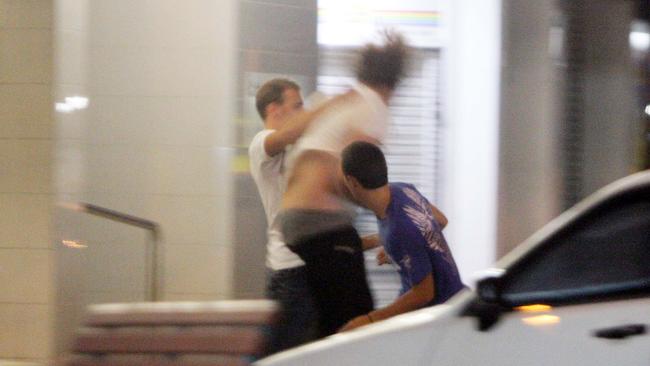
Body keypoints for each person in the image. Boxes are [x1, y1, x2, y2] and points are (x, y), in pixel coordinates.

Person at [277, 31, 409, 338]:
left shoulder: (340, 99)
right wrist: (395, 214)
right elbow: (355, 172)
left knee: (328, 317)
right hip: (322, 221)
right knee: (354, 319)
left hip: (294, 220)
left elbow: (289, 136)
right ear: (393, 82)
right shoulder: (373, 105)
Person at [248, 78, 345, 353]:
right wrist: (327, 106)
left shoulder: (296, 148)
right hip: (289, 270)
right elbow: (286, 135)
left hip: (307, 265)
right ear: (273, 109)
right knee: (288, 354)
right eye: (297, 105)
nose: (302, 112)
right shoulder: (261, 143)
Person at [338, 141, 465, 332]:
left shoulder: (399, 229)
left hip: (441, 319)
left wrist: (369, 320)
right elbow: (439, 220)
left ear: (352, 182)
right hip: (456, 303)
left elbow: (424, 294)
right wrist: (394, 251)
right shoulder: (402, 189)